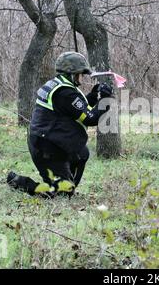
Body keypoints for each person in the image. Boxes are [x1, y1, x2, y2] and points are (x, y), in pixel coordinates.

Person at [7, 52, 113, 197]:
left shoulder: (60, 85)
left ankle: (65, 184)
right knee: (61, 195)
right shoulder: (65, 92)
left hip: (49, 143)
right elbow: (90, 119)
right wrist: (105, 100)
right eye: (81, 74)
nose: (82, 77)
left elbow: (75, 108)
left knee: (82, 153)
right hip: (47, 149)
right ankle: (19, 182)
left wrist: (94, 96)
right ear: (72, 74)